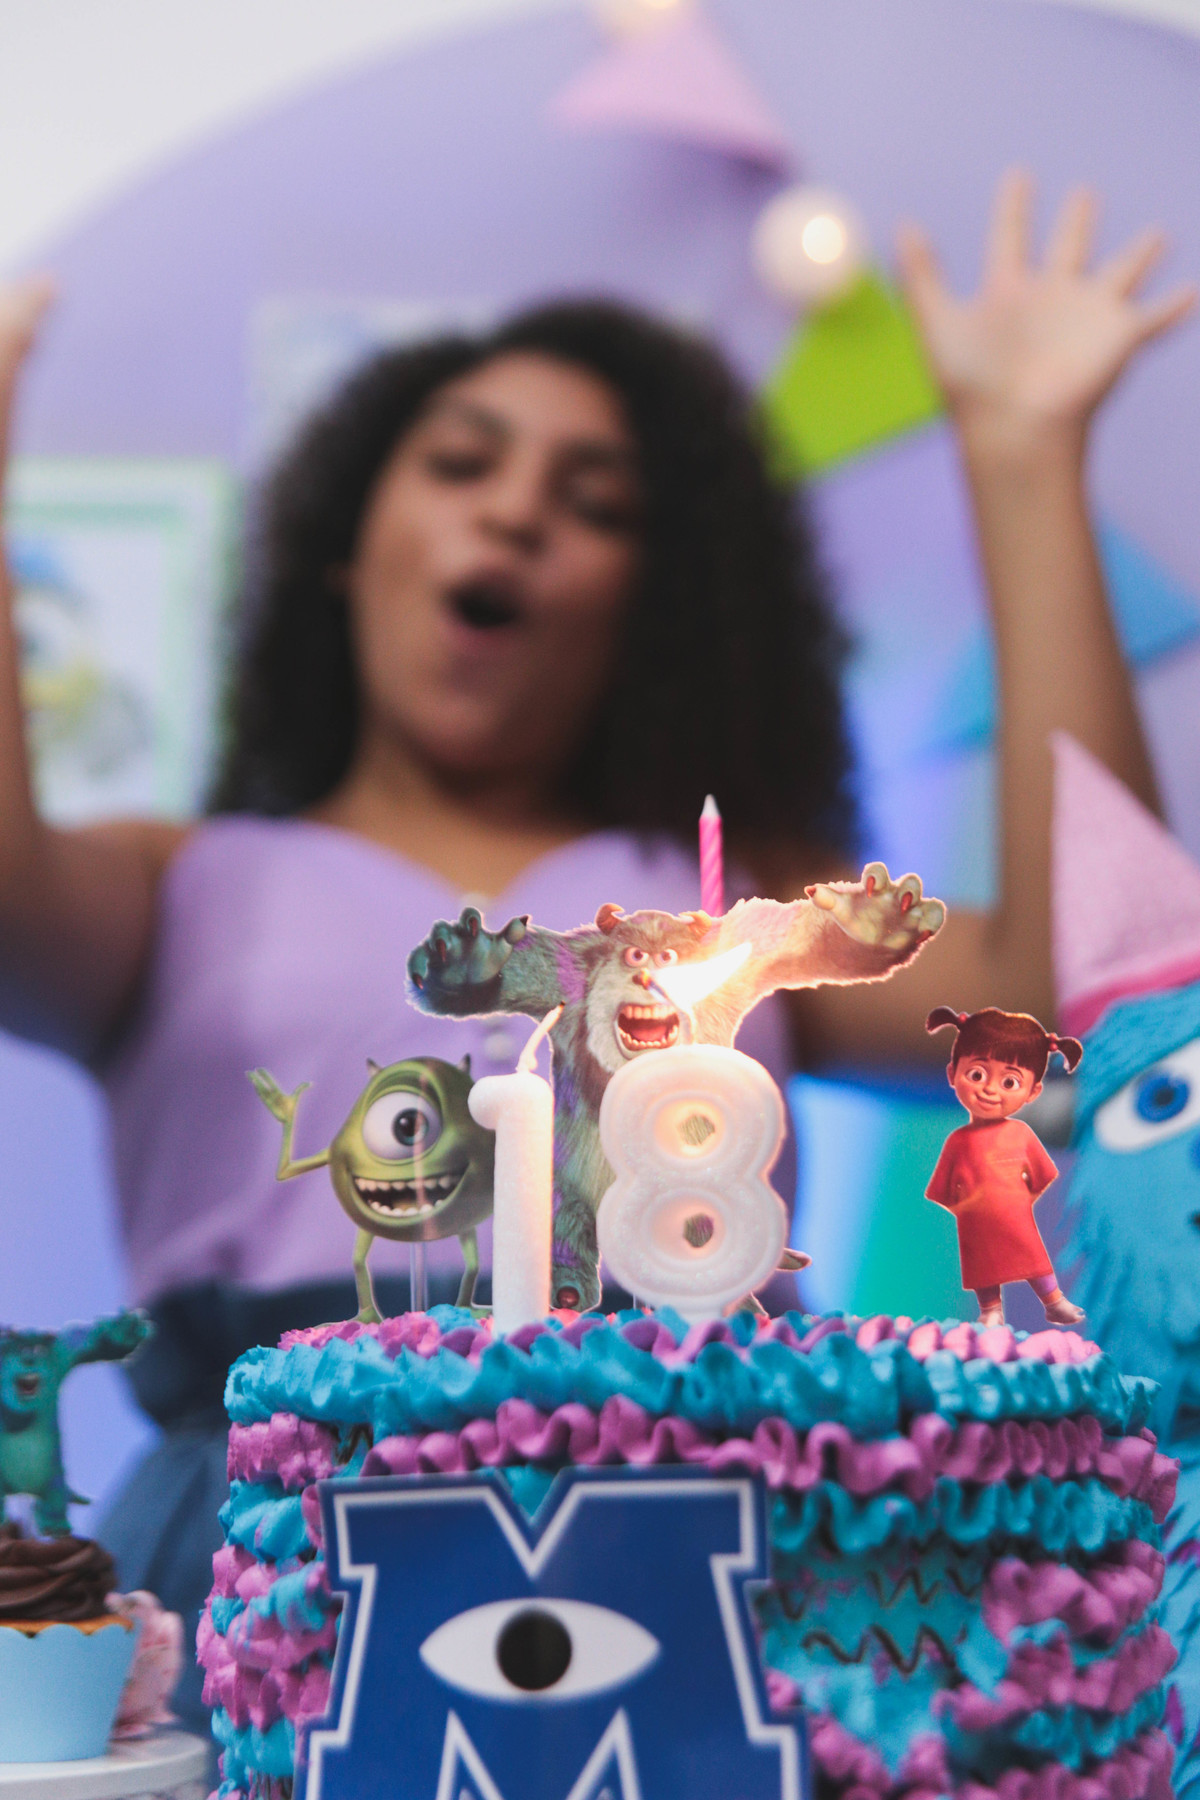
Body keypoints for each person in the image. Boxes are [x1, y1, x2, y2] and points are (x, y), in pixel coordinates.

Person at [0, 171, 1189, 1731]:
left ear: (647, 607)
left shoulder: (721, 901)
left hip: (704, 1514)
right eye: (462, 462)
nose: (515, 510)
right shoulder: (174, 882)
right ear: (348, 545)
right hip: (282, 1553)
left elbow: (1064, 988)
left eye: (599, 503)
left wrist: (1021, 456)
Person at [924, 1005, 1084, 1327]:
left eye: (1009, 1082)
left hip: (1018, 1218)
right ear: (952, 1073)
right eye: (977, 1075)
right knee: (982, 1269)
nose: (989, 1089)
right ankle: (991, 1311)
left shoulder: (1021, 1133)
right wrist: (967, 1210)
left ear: (1033, 1091)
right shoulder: (957, 1142)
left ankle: (1053, 1302)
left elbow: (1042, 1175)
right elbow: (940, 1190)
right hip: (974, 1224)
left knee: (1034, 1260)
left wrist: (1020, 1202)